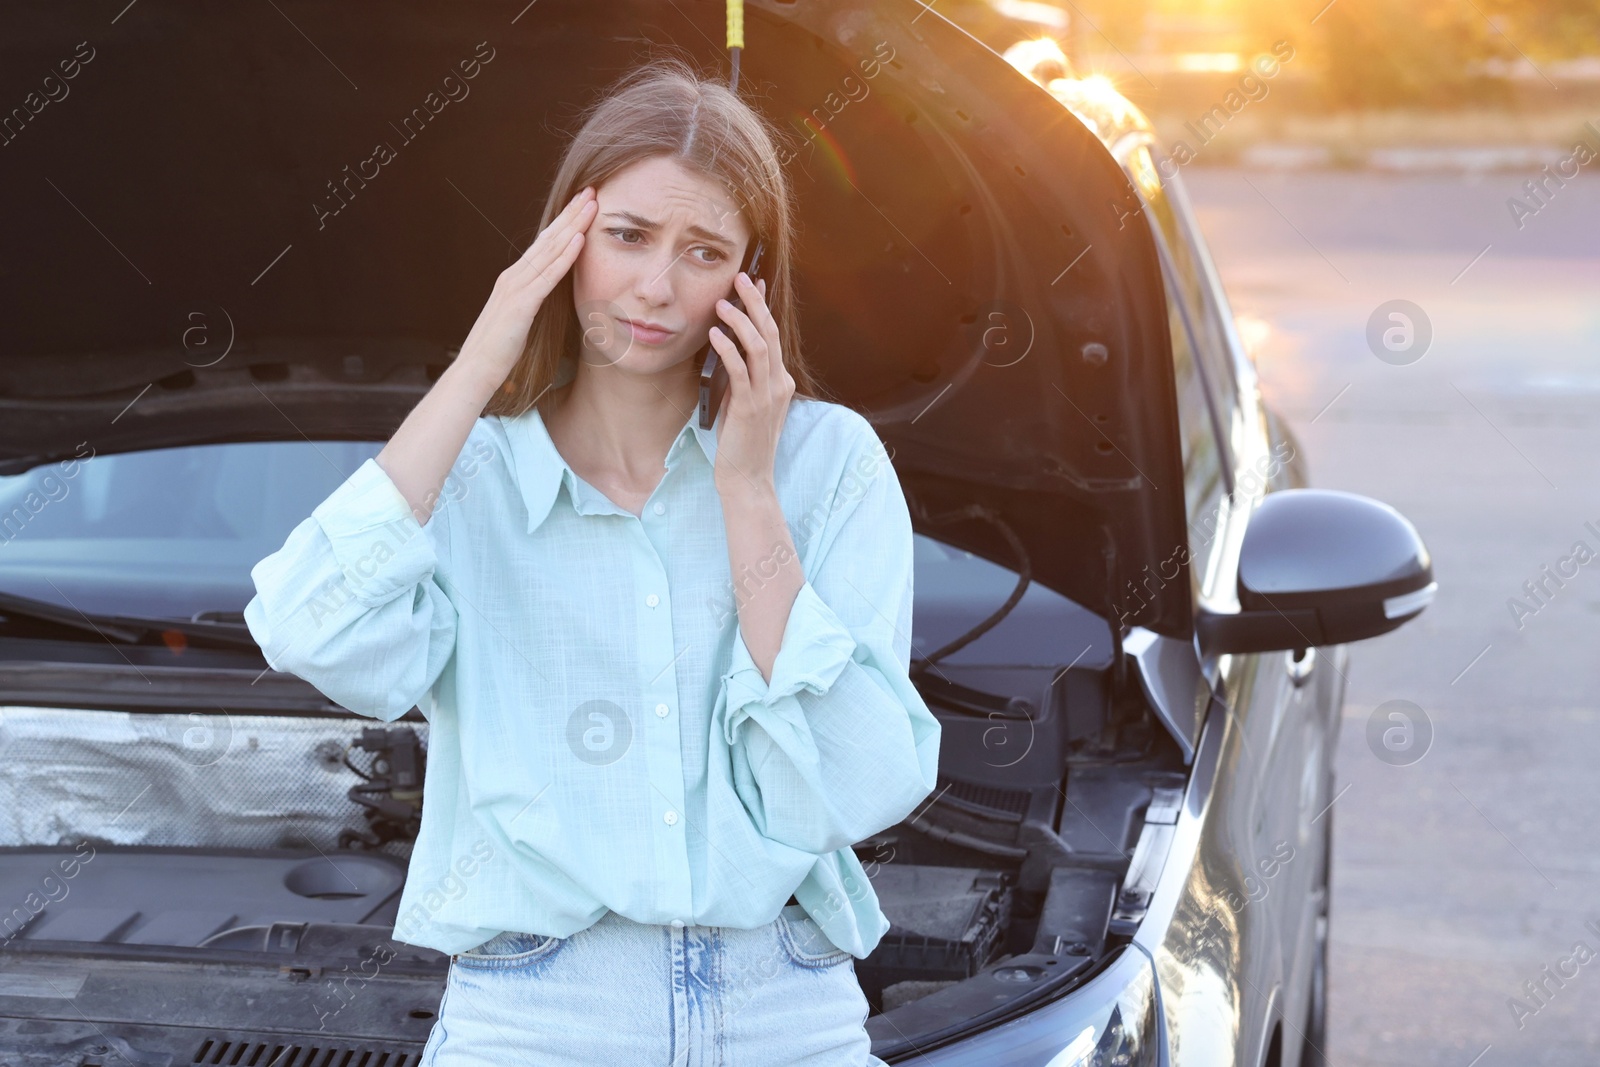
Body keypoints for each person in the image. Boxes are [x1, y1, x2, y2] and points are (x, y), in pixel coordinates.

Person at [243, 55, 940, 1065]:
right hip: (536, 1013)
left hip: (785, 1004)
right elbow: (307, 628)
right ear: (567, 237)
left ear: (749, 281)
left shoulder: (827, 464)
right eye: (626, 237)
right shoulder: (467, 477)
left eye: (704, 252)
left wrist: (746, 490)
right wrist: (482, 359)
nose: (656, 286)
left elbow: (854, 780)